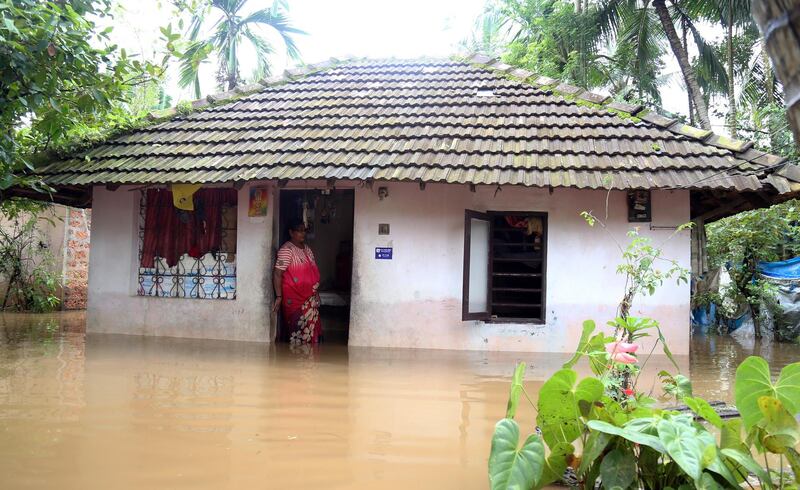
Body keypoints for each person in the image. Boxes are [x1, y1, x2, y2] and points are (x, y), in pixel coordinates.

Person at [273, 221, 321, 345]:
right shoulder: (287, 250)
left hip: (310, 297)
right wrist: (279, 296)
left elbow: (312, 272)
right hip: (294, 298)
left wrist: (316, 293)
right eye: (299, 230)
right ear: (291, 232)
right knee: (297, 330)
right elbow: (277, 274)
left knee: (311, 331)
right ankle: (295, 360)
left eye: (304, 230)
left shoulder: (307, 249)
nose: (303, 233)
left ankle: (309, 360)